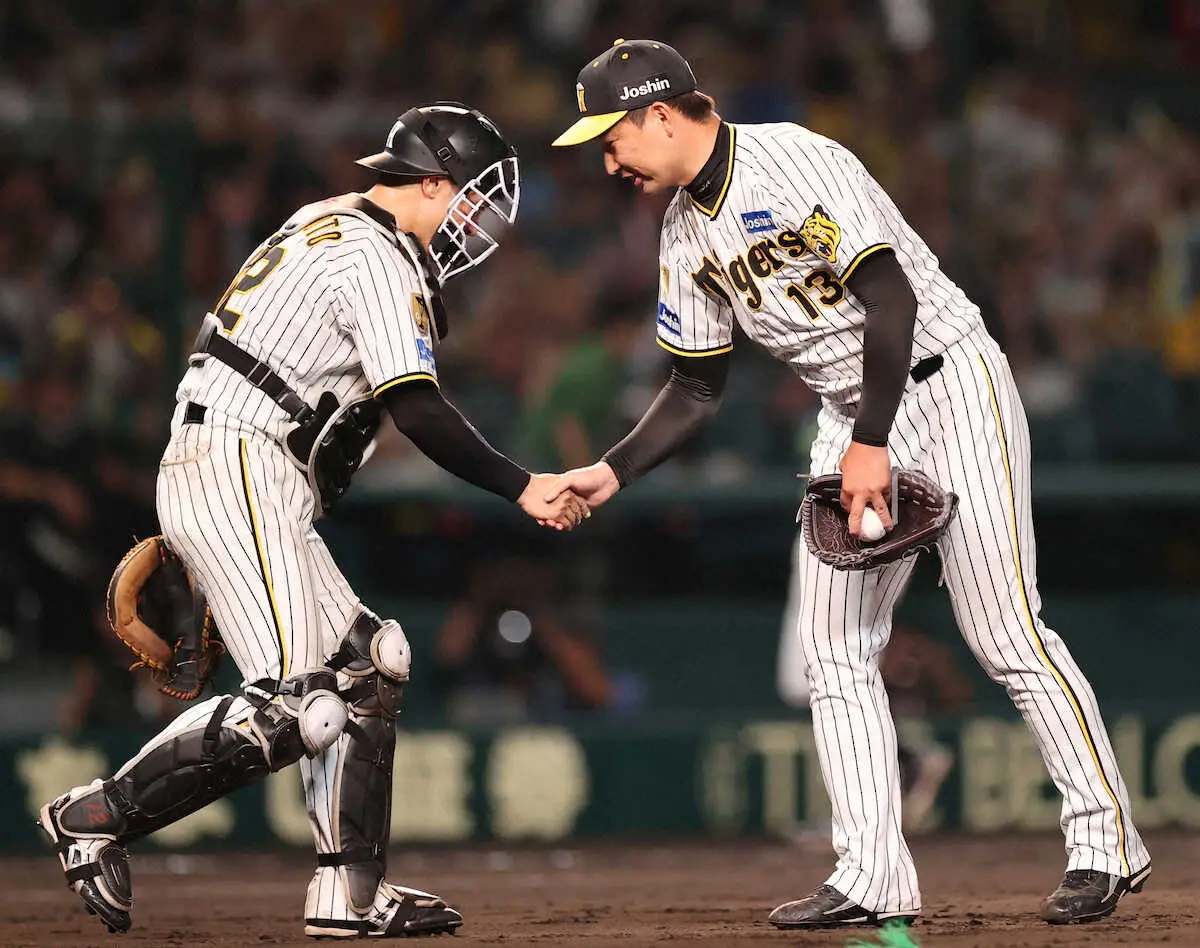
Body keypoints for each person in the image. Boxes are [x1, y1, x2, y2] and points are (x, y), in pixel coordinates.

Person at [548, 40, 1150, 929]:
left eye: (612, 139)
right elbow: (696, 386)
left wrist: (870, 443)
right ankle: (872, 873)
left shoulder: (792, 161)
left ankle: (1107, 843)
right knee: (830, 648)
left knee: (1005, 632)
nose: (607, 161)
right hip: (851, 411)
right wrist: (613, 468)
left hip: (947, 384)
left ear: (661, 114)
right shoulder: (683, 230)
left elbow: (893, 301)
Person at [38, 102, 587, 940]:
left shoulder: (329, 221)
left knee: (369, 665)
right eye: (471, 197)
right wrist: (522, 485)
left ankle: (350, 894)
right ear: (431, 184)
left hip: (253, 466)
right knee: (299, 704)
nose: (478, 222)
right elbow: (418, 409)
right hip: (239, 460)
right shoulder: (377, 255)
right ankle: (96, 815)